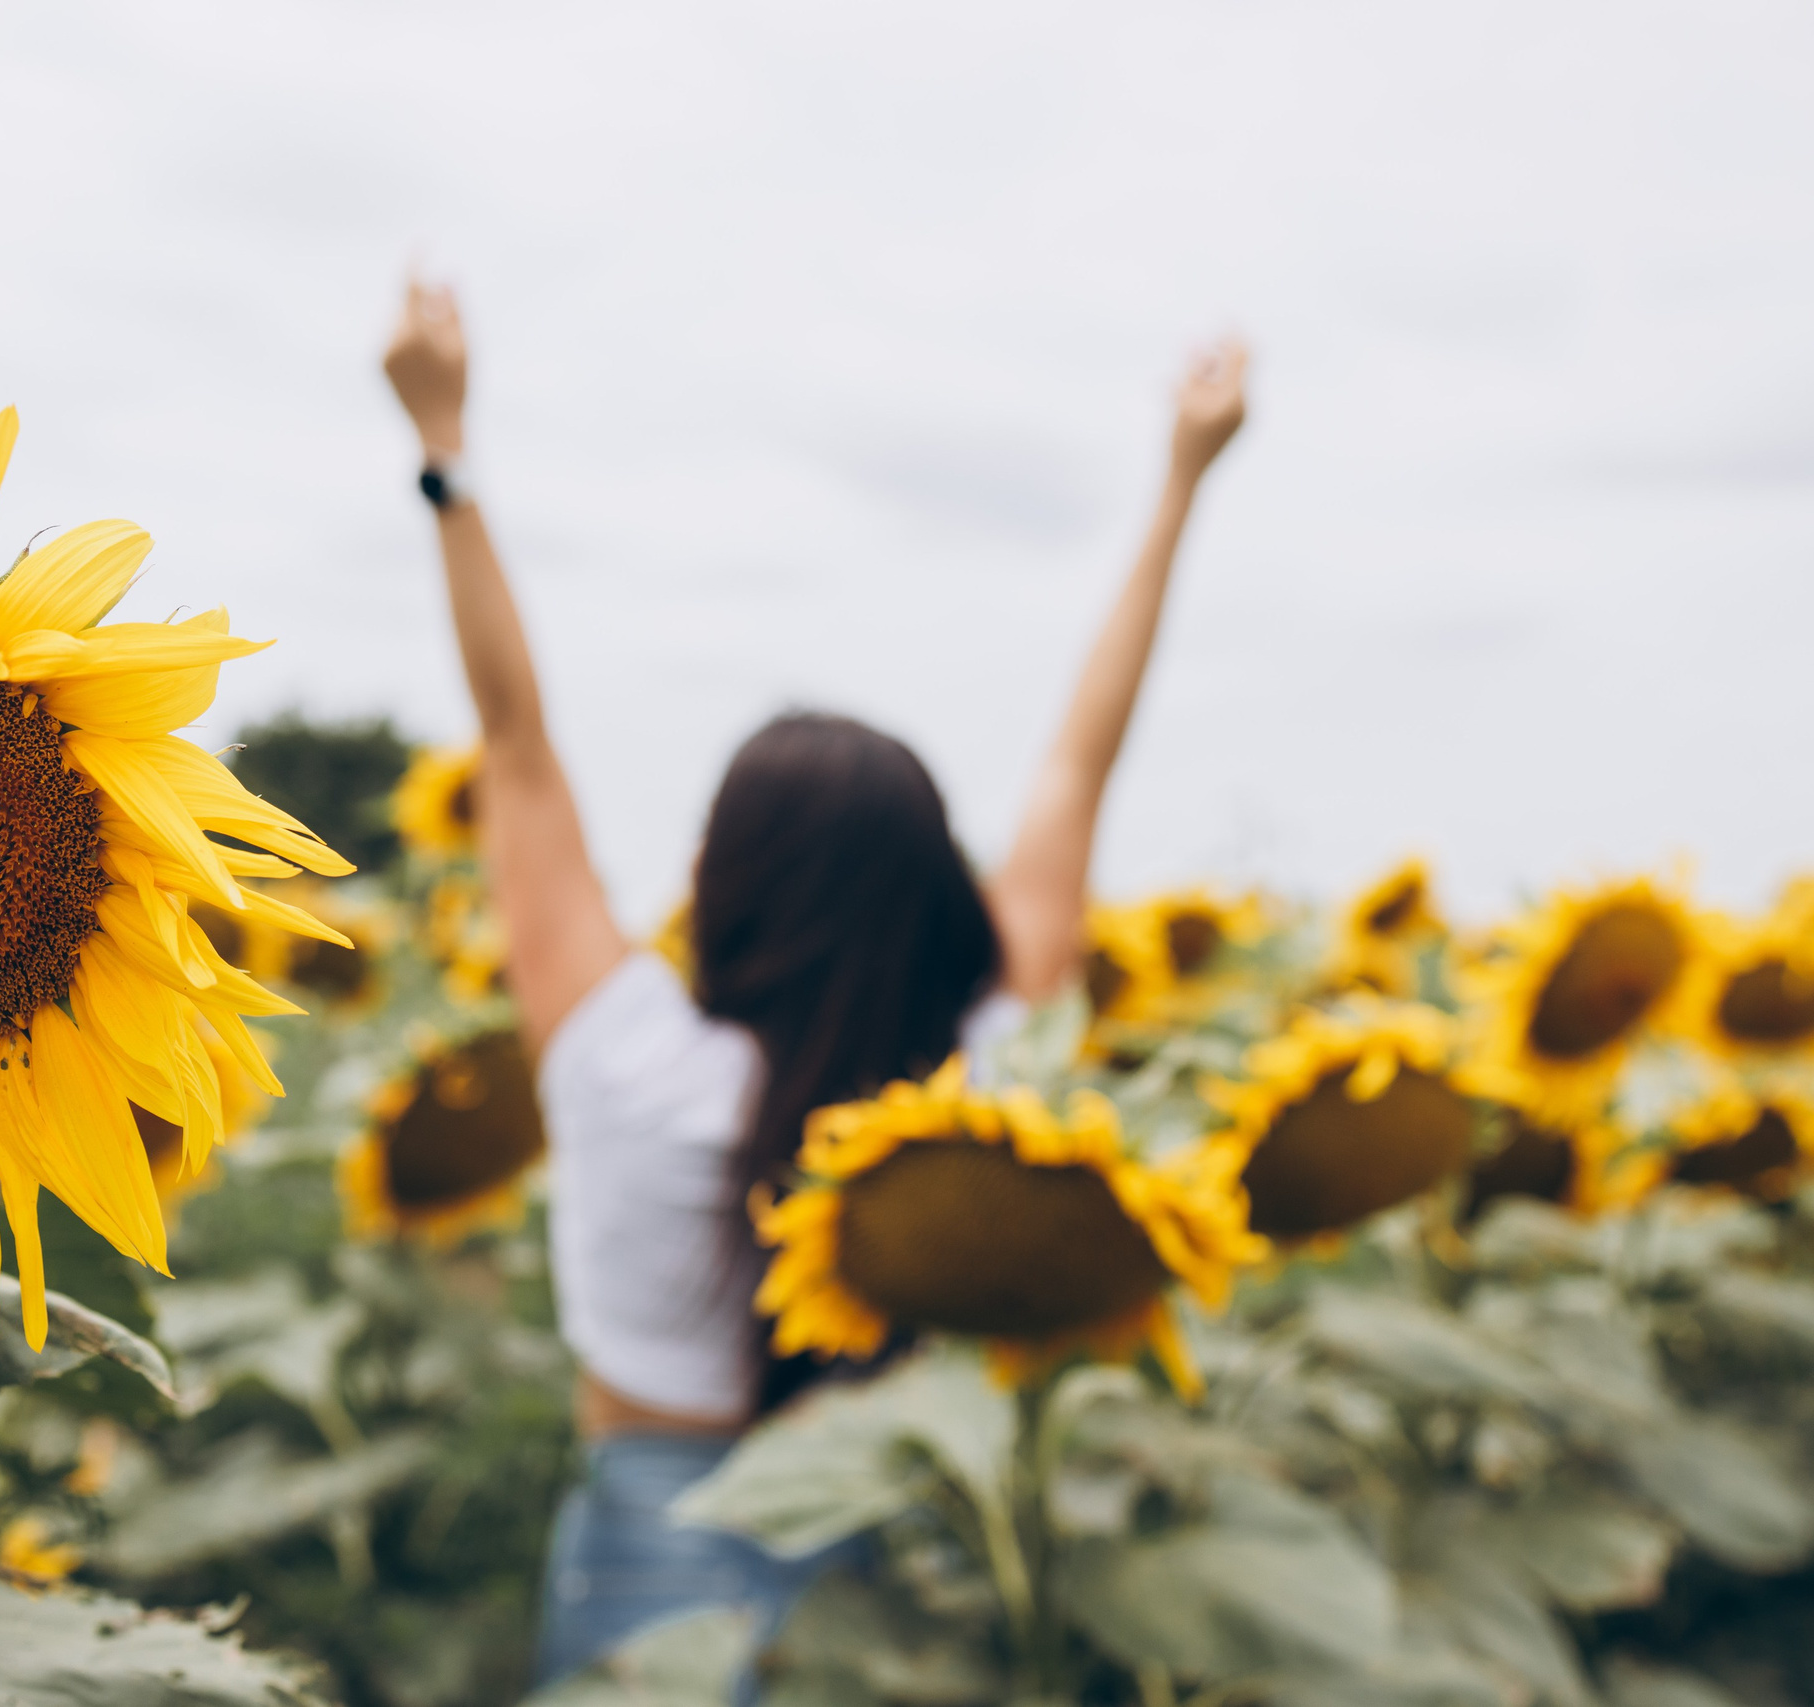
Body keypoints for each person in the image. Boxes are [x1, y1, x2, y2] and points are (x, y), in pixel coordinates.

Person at [380, 280, 1248, 1690]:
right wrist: (1181, 485)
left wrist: (442, 436)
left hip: (648, 1545)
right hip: (894, 1546)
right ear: (932, 900)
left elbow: (514, 741)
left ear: (723, 884)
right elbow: (1081, 769)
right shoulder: (980, 1076)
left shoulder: (623, 1058)